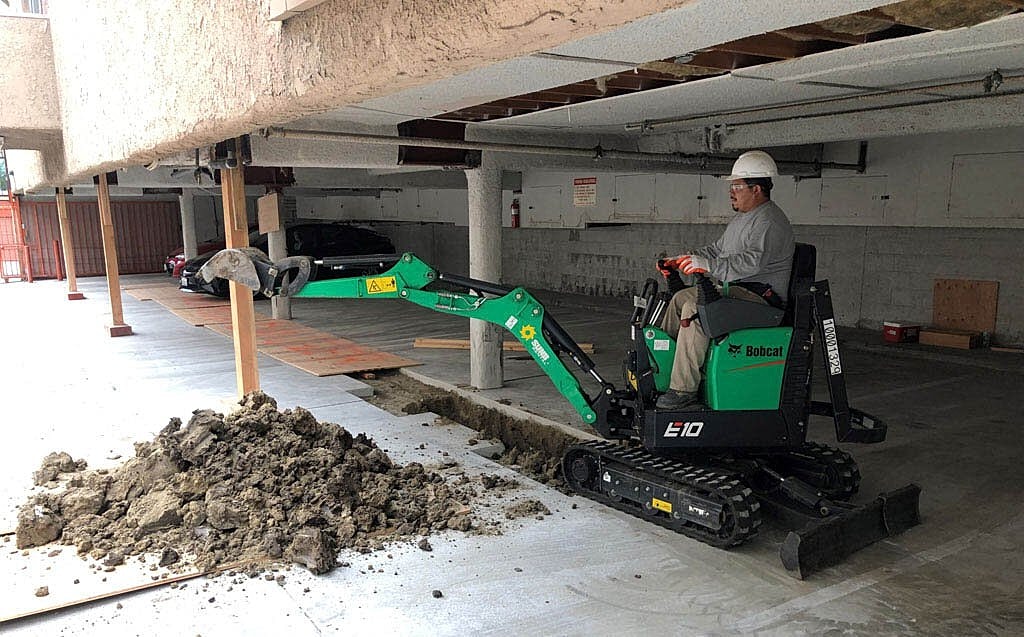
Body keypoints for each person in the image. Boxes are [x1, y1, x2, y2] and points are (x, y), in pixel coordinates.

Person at [655, 150, 795, 410]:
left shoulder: (769, 222)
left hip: (760, 299)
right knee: (678, 299)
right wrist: (684, 259)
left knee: (694, 310)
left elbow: (749, 263)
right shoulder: (742, 219)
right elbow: (717, 251)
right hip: (738, 291)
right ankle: (663, 370)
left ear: (756, 189)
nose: (732, 192)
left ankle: (682, 389)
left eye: (737, 186)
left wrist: (707, 266)